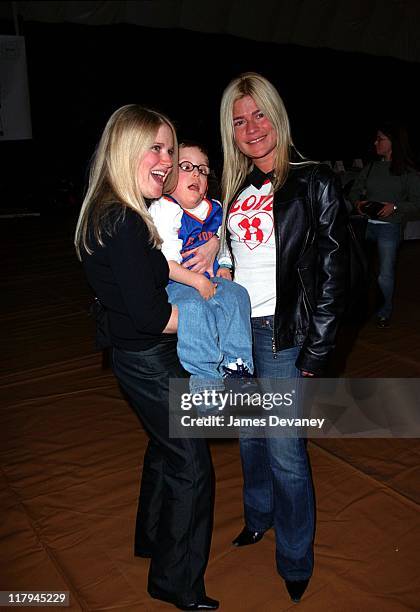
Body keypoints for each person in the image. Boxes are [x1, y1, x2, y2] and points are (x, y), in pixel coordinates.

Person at [74, 105, 218, 611]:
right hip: (149, 357)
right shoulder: (126, 221)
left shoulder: (110, 209)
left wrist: (195, 272)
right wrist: (216, 325)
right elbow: (152, 317)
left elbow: (153, 272)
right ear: (126, 150)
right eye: (155, 148)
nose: (167, 159)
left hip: (132, 355)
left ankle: (152, 539)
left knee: (164, 448)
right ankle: (175, 582)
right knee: (191, 465)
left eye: (170, 149)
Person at [218, 72, 348, 603]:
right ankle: (258, 516)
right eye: (239, 120)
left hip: (281, 333)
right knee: (250, 439)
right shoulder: (232, 189)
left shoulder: (313, 180)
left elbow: (335, 272)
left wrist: (316, 351)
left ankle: (295, 558)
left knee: (286, 453)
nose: (251, 128)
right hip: (234, 332)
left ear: (277, 115)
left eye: (259, 114)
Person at [149, 141, 254, 400]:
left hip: (208, 279)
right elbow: (166, 264)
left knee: (238, 295)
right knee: (193, 308)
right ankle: (205, 377)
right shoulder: (165, 208)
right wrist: (197, 281)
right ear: (169, 175)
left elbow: (224, 243)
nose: (196, 173)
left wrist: (226, 266)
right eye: (186, 167)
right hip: (176, 282)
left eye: (203, 170)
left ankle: (237, 365)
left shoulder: (215, 208)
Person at [349, 123, 420, 328]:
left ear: (393, 143)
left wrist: (395, 207)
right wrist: (358, 204)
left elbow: (417, 203)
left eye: (380, 139)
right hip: (365, 226)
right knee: (362, 271)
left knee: (385, 274)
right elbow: (354, 191)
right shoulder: (371, 167)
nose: (376, 142)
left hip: (389, 228)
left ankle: (384, 311)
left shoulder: (408, 173)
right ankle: (363, 308)